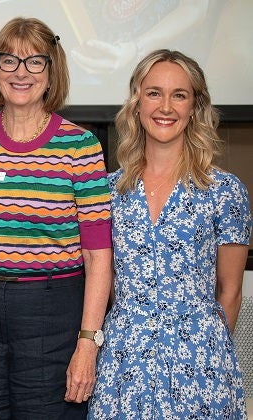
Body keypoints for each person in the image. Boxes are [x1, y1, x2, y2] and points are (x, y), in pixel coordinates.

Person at [0, 17, 113, 419]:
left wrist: (88, 343)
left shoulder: (80, 146)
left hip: (53, 311)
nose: (21, 73)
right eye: (9, 61)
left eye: (35, 62)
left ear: (52, 73)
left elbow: (98, 256)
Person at [89, 49, 251, 418]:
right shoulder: (107, 192)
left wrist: (205, 354)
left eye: (179, 95)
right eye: (154, 93)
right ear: (136, 103)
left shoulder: (225, 191)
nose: (166, 106)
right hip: (124, 362)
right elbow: (105, 280)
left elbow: (231, 291)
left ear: (194, 107)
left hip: (201, 364)